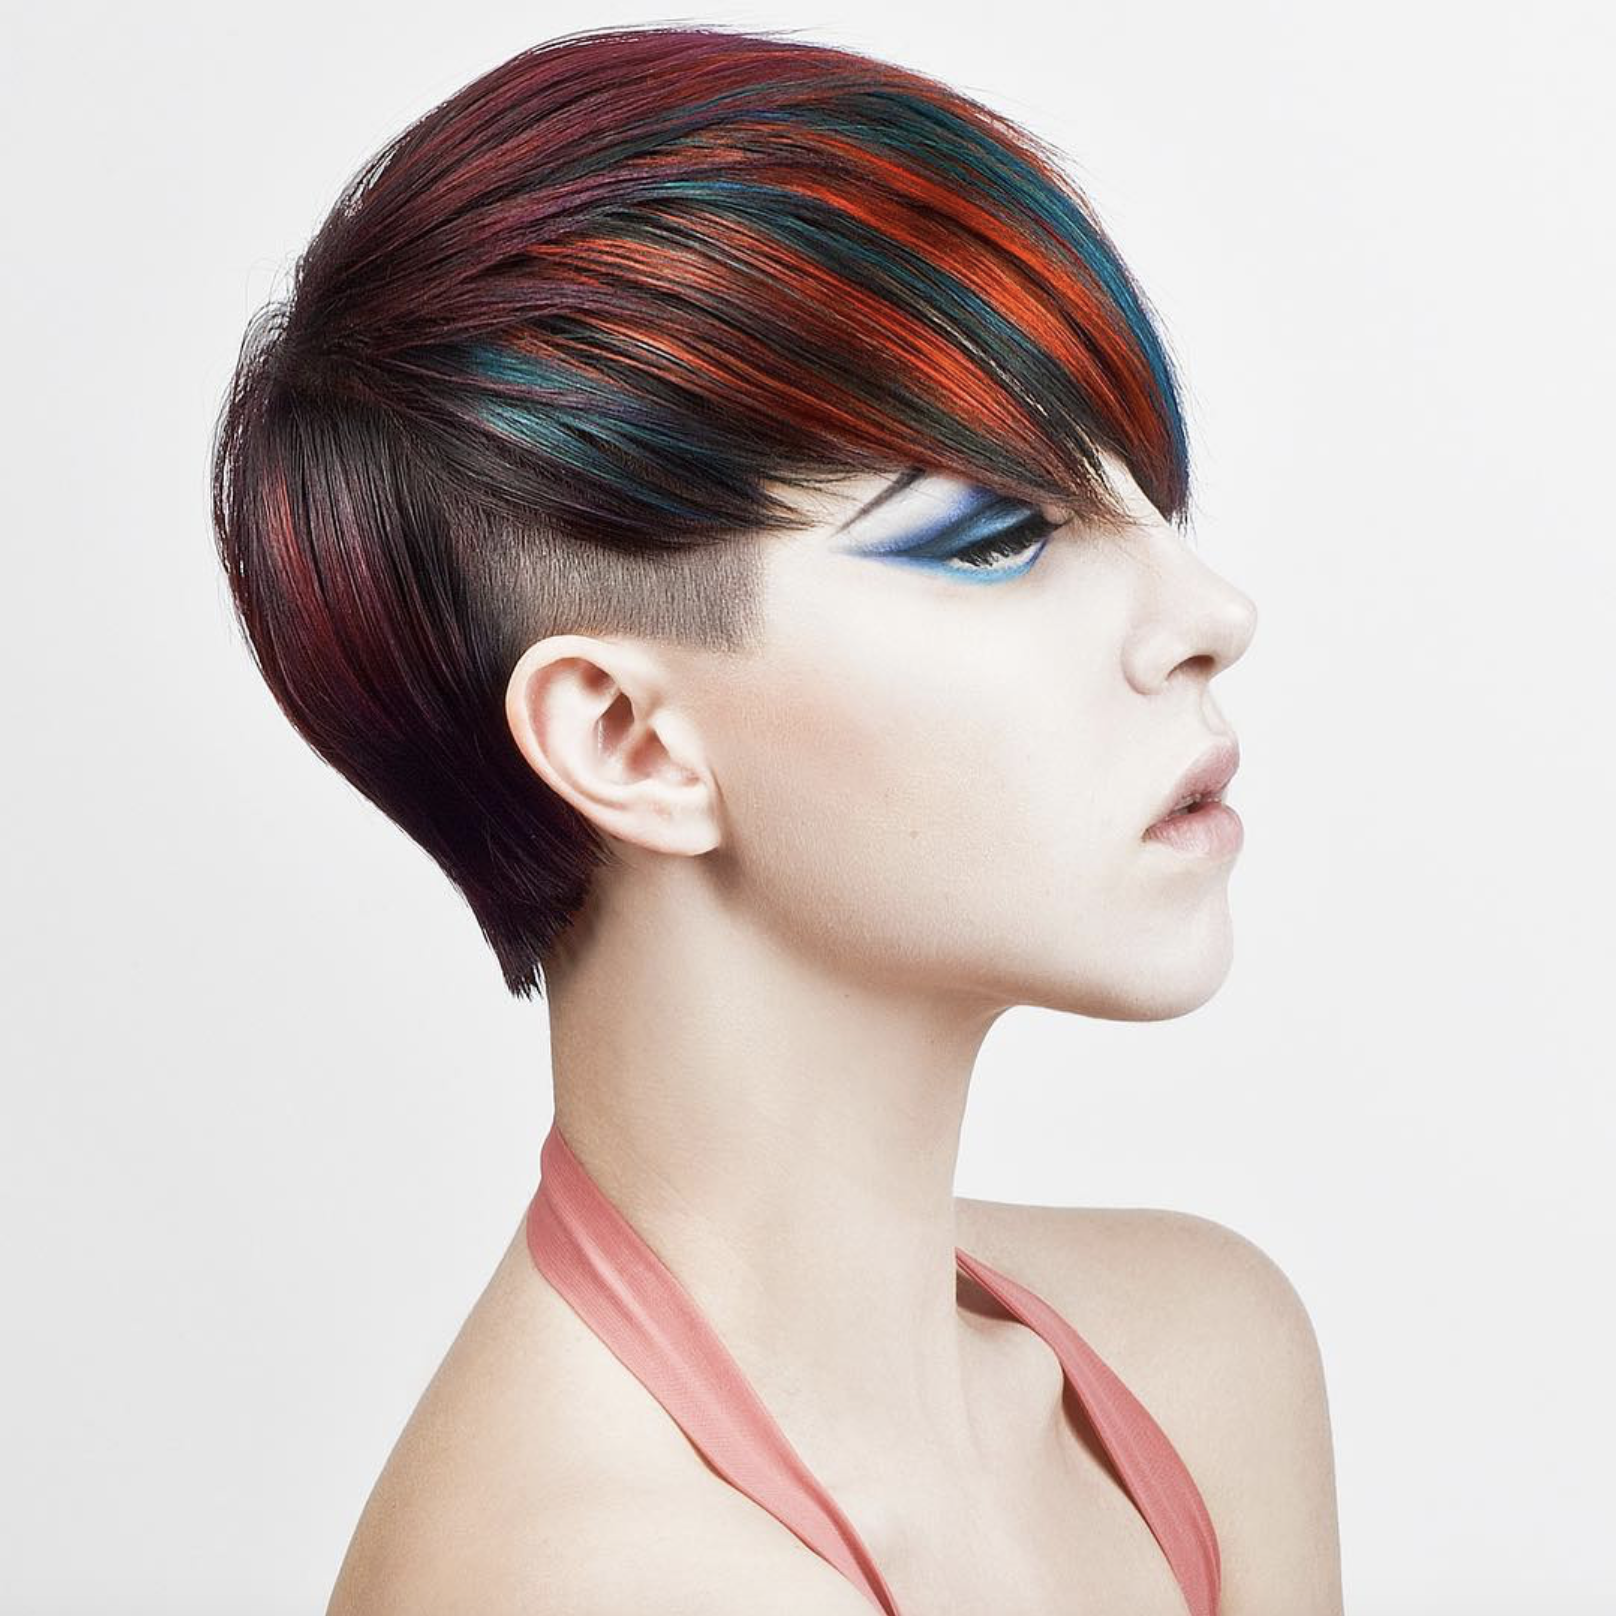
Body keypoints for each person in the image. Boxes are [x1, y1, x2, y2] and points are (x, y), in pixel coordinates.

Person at [210, 22, 1342, 1614]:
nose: (1210, 613)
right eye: (997, 536)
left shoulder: (1204, 1361)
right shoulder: (578, 1586)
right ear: (628, 741)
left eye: (1148, 494)